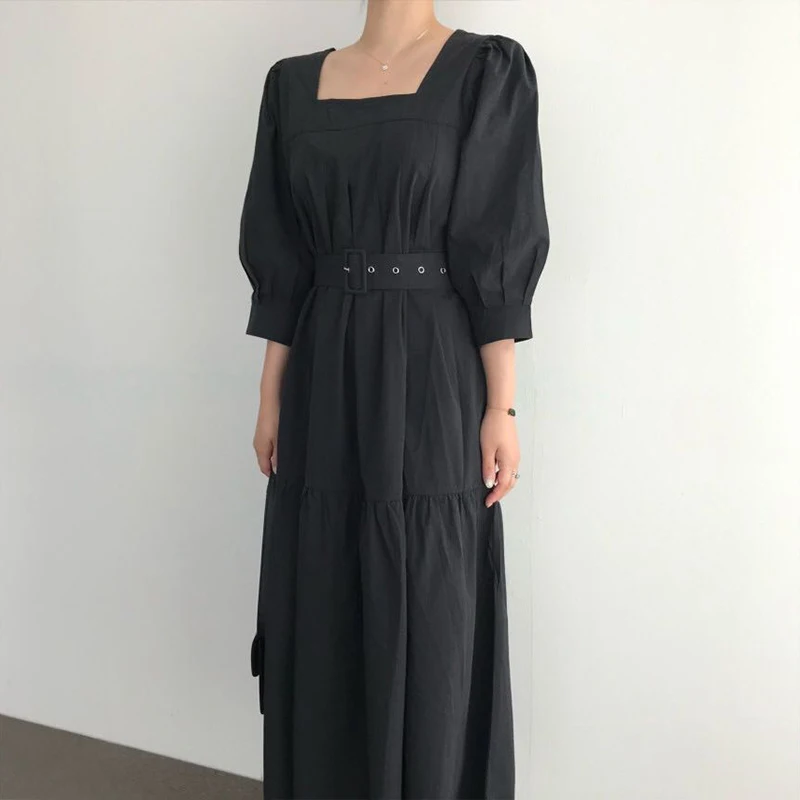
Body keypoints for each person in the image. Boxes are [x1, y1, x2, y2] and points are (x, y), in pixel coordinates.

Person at [237, 0, 549, 797]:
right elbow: (284, 261)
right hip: (322, 371)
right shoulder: (291, 86)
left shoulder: (485, 72)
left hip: (433, 373)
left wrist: (502, 406)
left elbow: (493, 245)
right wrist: (270, 393)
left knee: (430, 597)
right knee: (327, 587)